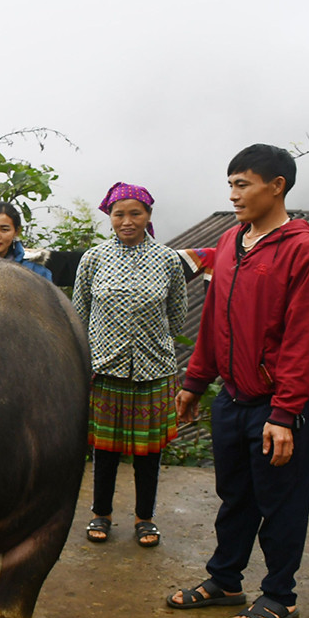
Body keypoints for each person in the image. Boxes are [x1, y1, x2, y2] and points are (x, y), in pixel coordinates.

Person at [165, 145, 309, 618]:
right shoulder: (230, 242)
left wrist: (284, 414)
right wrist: (196, 381)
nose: (233, 195)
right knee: (234, 495)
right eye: (231, 185)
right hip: (233, 396)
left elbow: (304, 338)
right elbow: (214, 318)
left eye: (243, 184)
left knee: (281, 501)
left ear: (276, 186)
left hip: (279, 404)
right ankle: (225, 580)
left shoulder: (306, 251)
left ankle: (280, 594)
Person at [71, 182, 187, 548]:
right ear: (109, 216)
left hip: (153, 370)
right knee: (104, 451)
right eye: (119, 214)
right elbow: (80, 313)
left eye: (135, 213)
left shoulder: (168, 260)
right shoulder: (94, 259)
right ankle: (101, 514)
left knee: (148, 454)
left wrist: (150, 342)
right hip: (105, 369)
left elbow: (177, 315)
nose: (127, 221)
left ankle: (144, 518)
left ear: (148, 215)